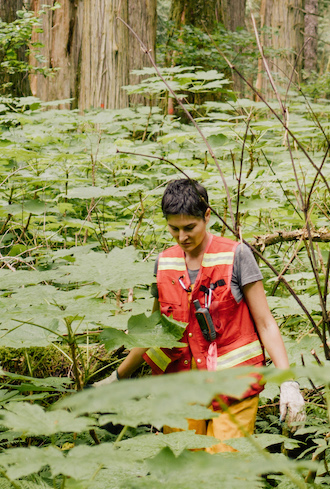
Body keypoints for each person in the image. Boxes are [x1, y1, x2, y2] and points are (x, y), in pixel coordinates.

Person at [115, 177, 306, 444]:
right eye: (174, 229)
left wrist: (288, 383)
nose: (182, 237)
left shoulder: (237, 256)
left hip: (234, 386)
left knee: (226, 473)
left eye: (189, 227)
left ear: (207, 216)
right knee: (184, 472)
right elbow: (154, 331)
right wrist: (117, 377)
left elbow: (265, 323)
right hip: (179, 386)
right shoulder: (164, 262)